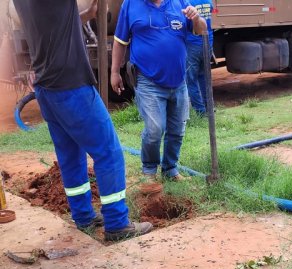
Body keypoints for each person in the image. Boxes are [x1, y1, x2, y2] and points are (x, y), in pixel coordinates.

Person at [12, 0, 153, 241]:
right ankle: (117, 224)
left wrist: (88, 14)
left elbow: (56, 24)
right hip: (71, 87)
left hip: (47, 89)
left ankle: (83, 216)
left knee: (71, 156)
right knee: (109, 153)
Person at [111, 0, 206, 181]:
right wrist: (115, 72)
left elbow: (201, 30)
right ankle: (149, 170)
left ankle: (170, 169)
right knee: (155, 129)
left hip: (179, 80)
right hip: (148, 80)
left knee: (177, 130)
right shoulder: (130, 4)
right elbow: (119, 41)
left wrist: (196, 18)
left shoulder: (180, 3)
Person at [186, 0, 213, 116]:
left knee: (191, 79)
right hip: (208, 42)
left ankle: (200, 111)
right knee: (204, 77)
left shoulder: (187, 2)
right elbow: (210, 10)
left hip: (192, 43)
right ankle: (209, 108)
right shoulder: (208, 1)